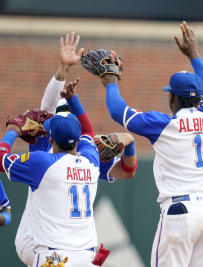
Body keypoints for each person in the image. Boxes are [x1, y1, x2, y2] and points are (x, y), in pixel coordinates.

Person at [99, 21, 203, 267]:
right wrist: (194, 55)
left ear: (173, 97)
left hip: (180, 212)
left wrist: (110, 81)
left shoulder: (164, 125)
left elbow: (117, 111)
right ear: (198, 99)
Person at [14, 33, 137, 267]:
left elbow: (46, 111)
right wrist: (129, 142)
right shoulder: (88, 158)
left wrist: (63, 70)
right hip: (66, 248)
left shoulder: (46, 150)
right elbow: (128, 170)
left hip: (46, 247)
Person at [1, 79, 101, 266]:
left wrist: (12, 131)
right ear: (78, 139)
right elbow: (89, 130)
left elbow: (1, 159)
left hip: (55, 257)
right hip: (87, 257)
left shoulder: (42, 163)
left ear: (51, 138)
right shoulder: (90, 161)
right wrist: (73, 100)